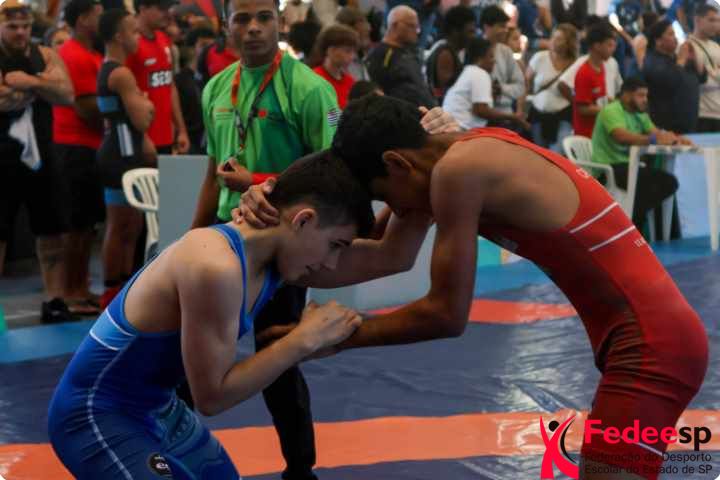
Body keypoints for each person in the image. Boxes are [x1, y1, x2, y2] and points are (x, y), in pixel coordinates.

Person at [241, 94, 709, 480]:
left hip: (651, 349)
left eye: (384, 196)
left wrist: (332, 338)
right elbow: (388, 254)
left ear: (396, 162)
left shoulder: (459, 172)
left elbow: (446, 315)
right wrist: (271, 216)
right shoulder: (454, 155)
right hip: (649, 341)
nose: (394, 209)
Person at [48, 151, 408, 479]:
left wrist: (421, 178)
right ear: (302, 220)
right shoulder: (214, 265)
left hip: (160, 410)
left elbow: (393, 257)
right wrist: (303, 340)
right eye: (335, 246)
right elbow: (212, 397)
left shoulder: (274, 259)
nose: (331, 263)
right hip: (96, 415)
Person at [0, 0, 75, 322]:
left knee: (51, 231)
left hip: (42, 156)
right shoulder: (39, 61)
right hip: (2, 158)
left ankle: (54, 300)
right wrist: (44, 87)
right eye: (12, 27)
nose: (20, 33)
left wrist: (29, 83)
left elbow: (67, 94)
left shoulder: (44, 54)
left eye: (26, 27)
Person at [96, 9, 157, 309]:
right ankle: (111, 291)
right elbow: (143, 118)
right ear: (119, 36)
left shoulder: (114, 70)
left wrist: (142, 102)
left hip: (123, 153)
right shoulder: (120, 73)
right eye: (133, 31)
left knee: (130, 227)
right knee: (120, 225)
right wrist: (145, 102)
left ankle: (121, 289)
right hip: (119, 157)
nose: (138, 37)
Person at [53, 0, 105, 317]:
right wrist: (118, 112)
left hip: (90, 146)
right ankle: (71, 291)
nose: (102, 19)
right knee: (76, 226)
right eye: (98, 15)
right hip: (74, 147)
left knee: (86, 226)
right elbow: (86, 107)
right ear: (84, 19)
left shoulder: (93, 54)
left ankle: (81, 288)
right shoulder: (73, 54)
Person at [591, 77, 689, 232]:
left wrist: (676, 139)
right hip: (609, 168)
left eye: (646, 96)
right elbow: (621, 136)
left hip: (629, 166)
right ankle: (632, 226)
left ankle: (648, 229)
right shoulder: (611, 110)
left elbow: (656, 133)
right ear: (626, 95)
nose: (645, 100)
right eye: (640, 95)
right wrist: (653, 139)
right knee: (662, 183)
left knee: (666, 182)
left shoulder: (639, 114)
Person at [127, 0, 189, 155]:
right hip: (141, 140)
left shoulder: (163, 39)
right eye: (161, 8)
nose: (167, 13)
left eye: (168, 8)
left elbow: (170, 87)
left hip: (166, 137)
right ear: (143, 9)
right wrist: (142, 136)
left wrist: (181, 129)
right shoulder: (131, 45)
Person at [443, 37, 530, 131]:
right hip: (459, 128)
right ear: (480, 58)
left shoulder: (469, 71)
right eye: (491, 56)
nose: (494, 61)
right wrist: (513, 117)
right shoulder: (480, 73)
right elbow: (481, 110)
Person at [642, 19, 706, 134]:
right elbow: (671, 81)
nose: (675, 38)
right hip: (667, 126)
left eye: (675, 34)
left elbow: (702, 78)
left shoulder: (677, 59)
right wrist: (681, 60)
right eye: (670, 34)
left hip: (689, 123)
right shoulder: (652, 61)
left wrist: (695, 58)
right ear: (658, 41)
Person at [365, 5, 436, 107]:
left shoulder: (410, 54)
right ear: (394, 25)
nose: (417, 32)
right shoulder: (382, 56)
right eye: (411, 26)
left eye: (417, 27)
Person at [526, 23, 578, 151]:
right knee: (538, 153)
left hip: (563, 115)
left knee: (557, 153)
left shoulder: (575, 64)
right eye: (553, 37)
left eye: (559, 39)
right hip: (538, 115)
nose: (554, 41)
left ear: (569, 43)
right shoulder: (540, 57)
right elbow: (526, 83)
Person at [479, 6, 526, 129]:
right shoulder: (472, 49)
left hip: (504, 116)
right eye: (501, 26)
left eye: (505, 27)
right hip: (478, 117)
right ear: (487, 27)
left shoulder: (506, 52)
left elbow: (520, 86)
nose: (505, 30)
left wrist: (501, 88)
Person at [572, 23, 617, 137]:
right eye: (609, 45)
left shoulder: (602, 67)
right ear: (597, 46)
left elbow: (600, 97)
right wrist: (609, 110)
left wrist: (616, 104)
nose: (613, 49)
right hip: (586, 135)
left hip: (599, 131)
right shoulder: (584, 73)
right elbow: (582, 108)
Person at [425, 5, 476, 104]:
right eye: (470, 32)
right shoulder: (445, 54)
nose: (473, 36)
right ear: (455, 31)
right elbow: (446, 92)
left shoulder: (454, 51)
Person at [687, 3, 720, 133]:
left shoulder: (716, 47)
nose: (715, 24)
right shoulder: (687, 47)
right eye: (711, 20)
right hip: (702, 113)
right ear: (697, 20)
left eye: (717, 20)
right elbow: (696, 79)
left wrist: (711, 72)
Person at [311, 24, 358, 108]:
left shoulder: (350, 82)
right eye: (347, 51)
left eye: (354, 52)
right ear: (330, 51)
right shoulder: (315, 79)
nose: (352, 56)